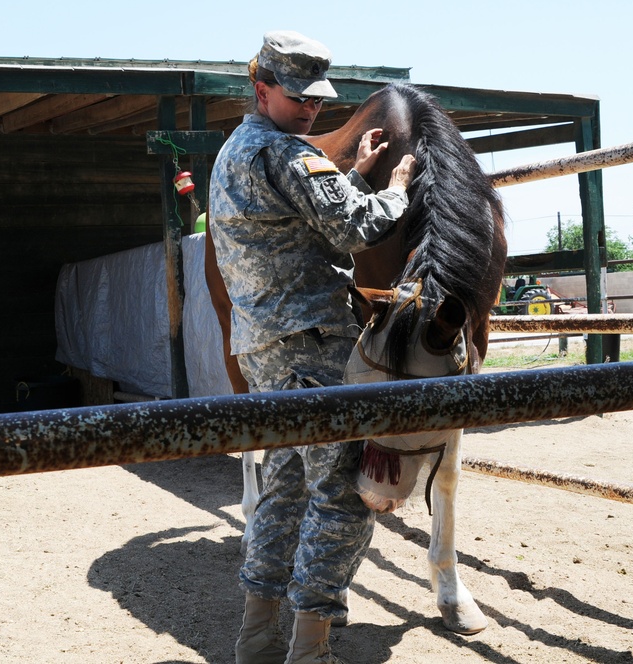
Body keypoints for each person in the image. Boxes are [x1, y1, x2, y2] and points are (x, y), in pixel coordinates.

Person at [208, 30, 417, 664]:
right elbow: (354, 229)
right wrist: (397, 187)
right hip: (314, 345)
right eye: (297, 97)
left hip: (263, 350)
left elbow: (296, 231)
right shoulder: (288, 156)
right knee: (343, 496)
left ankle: (257, 638)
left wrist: (348, 173)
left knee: (284, 488)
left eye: (317, 99)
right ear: (261, 89)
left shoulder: (232, 154)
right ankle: (310, 648)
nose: (311, 110)